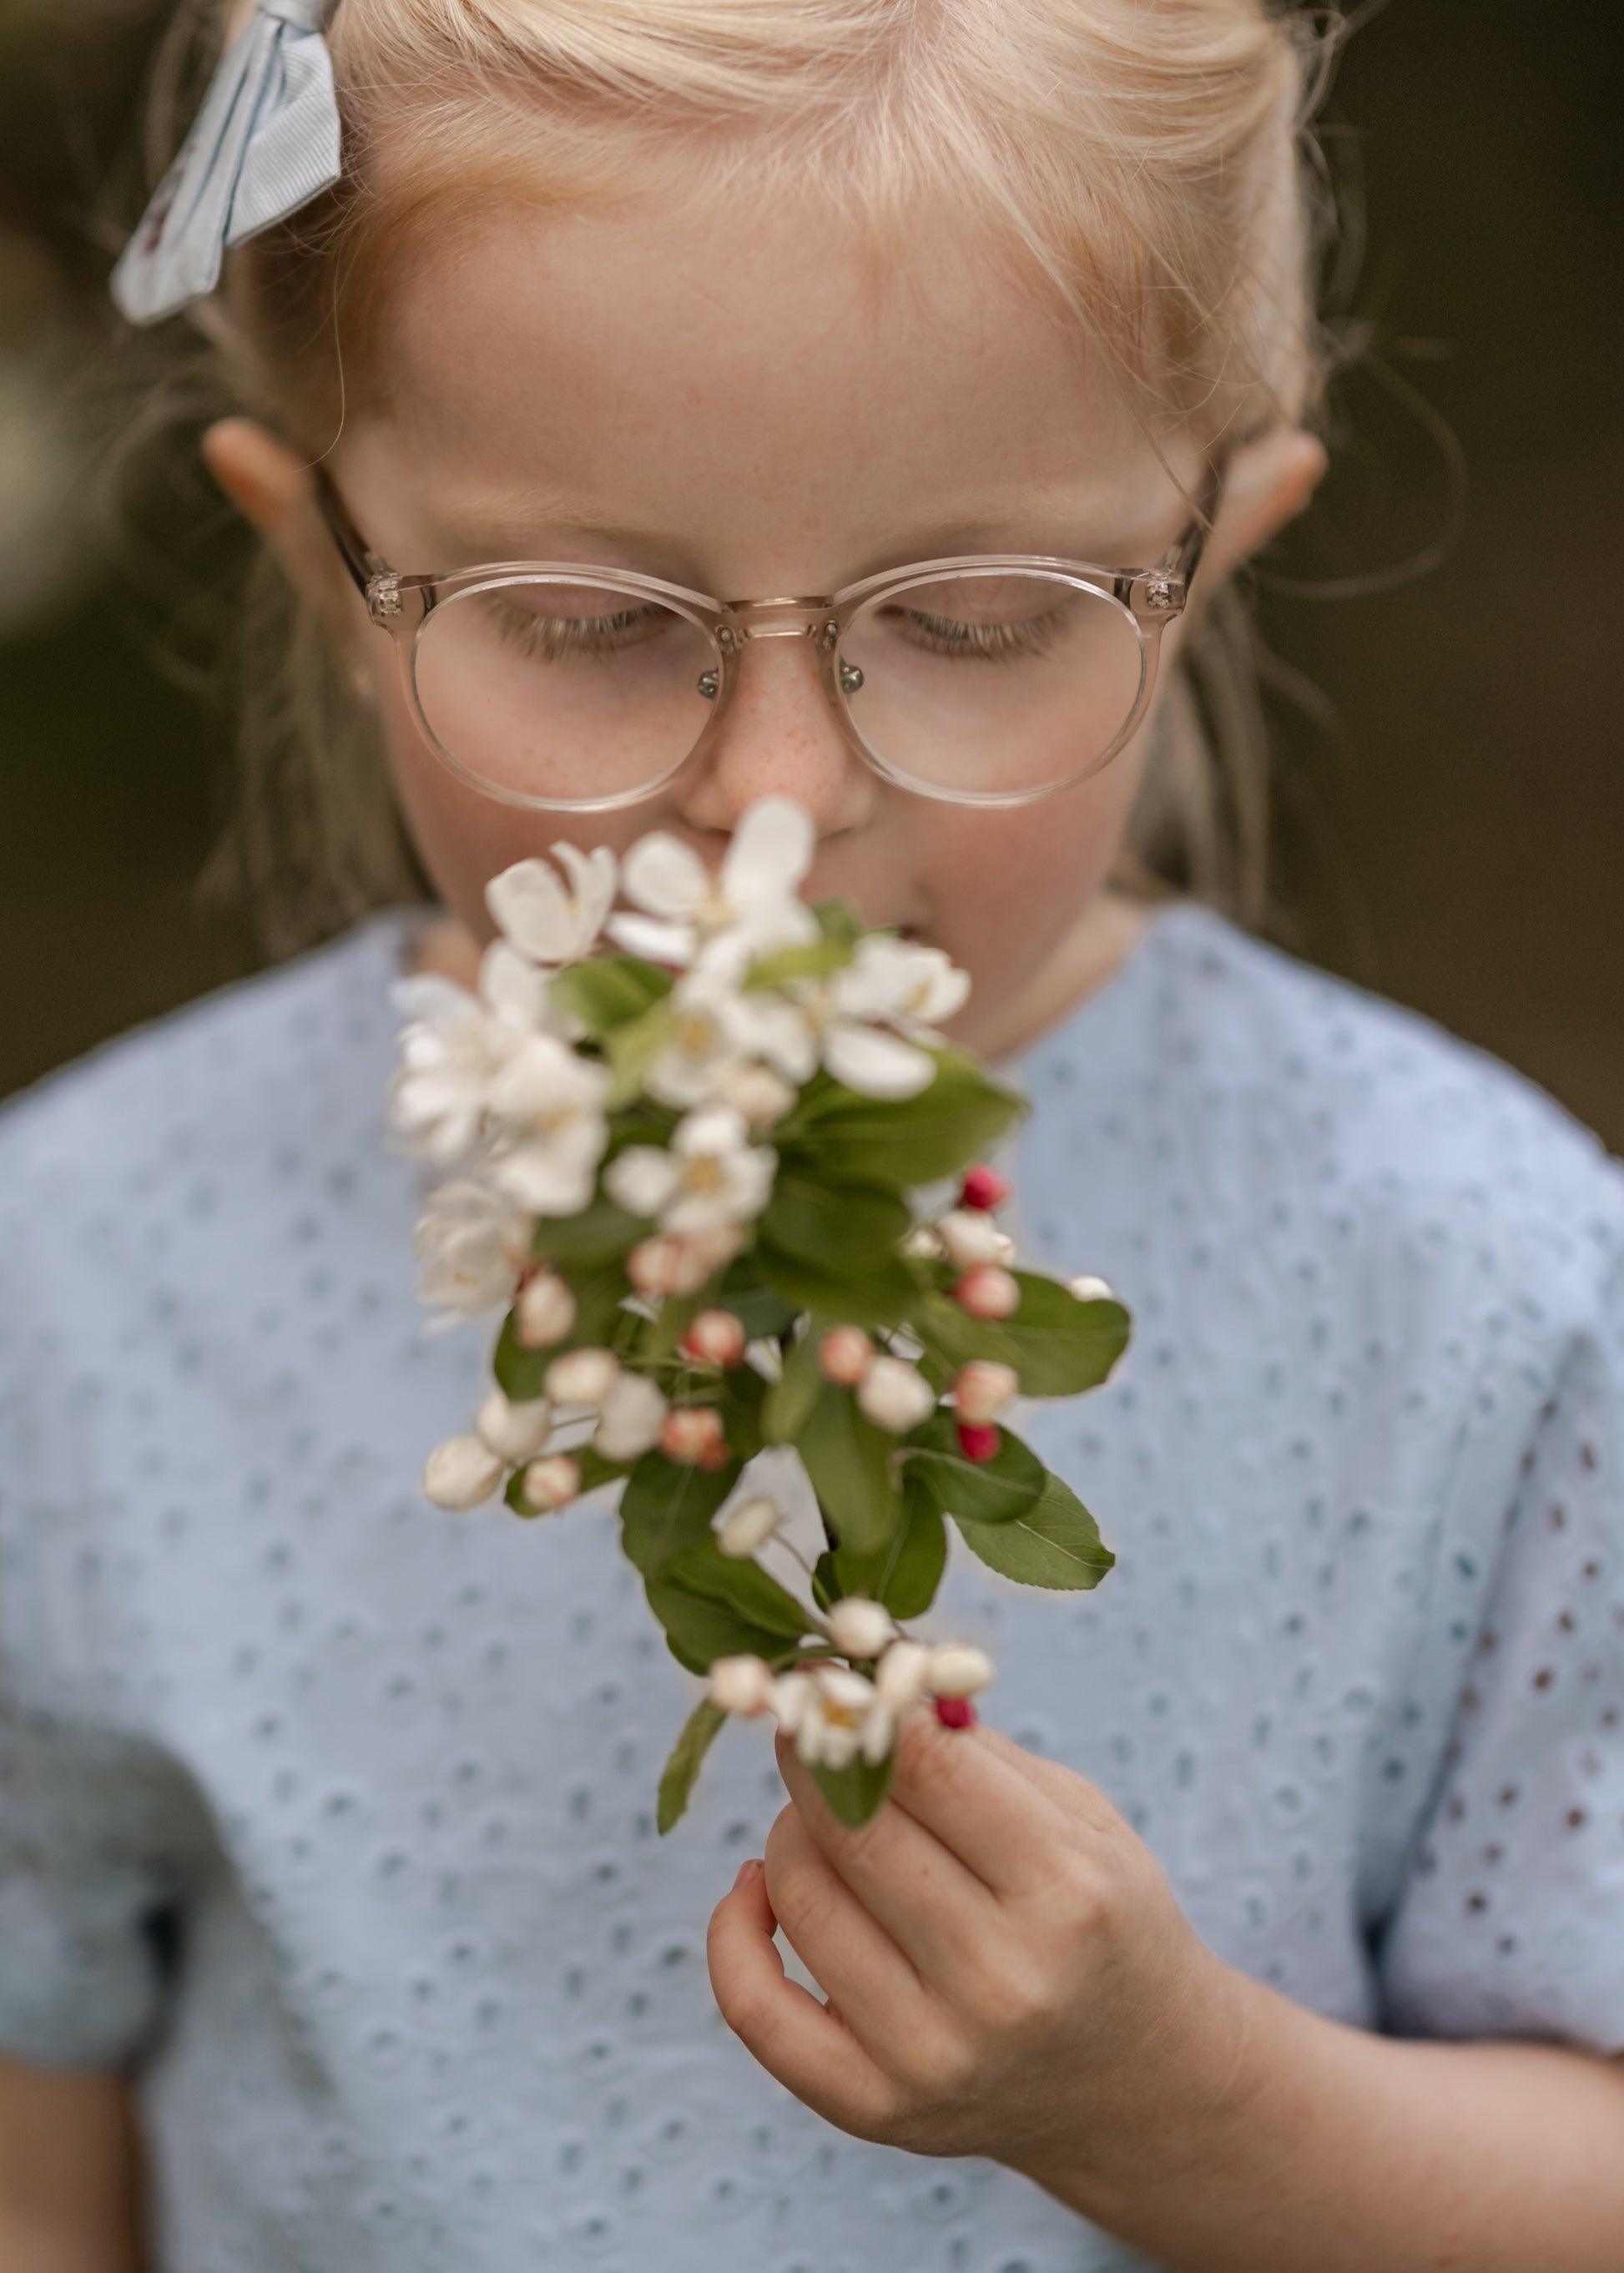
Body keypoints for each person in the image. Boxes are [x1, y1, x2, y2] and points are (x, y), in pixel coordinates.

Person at [3, 1, 1621, 2266]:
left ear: (1211, 556)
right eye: (586, 620)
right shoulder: (85, 1278)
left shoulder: (1484, 1286)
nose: (774, 791)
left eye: (975, 617)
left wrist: (1186, 2108)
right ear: (323, 574)